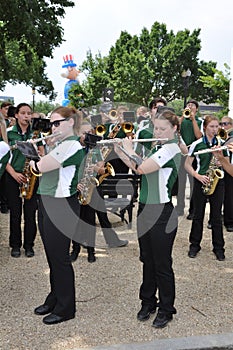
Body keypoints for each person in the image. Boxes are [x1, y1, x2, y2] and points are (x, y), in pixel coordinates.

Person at [115, 109, 181, 329]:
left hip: (161, 211)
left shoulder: (171, 149)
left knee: (162, 263)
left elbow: (142, 168)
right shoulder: (158, 148)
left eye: (163, 128)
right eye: (156, 128)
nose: (158, 132)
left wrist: (129, 149)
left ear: (174, 129)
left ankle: (166, 308)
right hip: (145, 208)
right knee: (147, 258)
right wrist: (119, 149)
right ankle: (148, 301)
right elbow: (135, 167)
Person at [30, 106, 85, 325]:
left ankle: (66, 308)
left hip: (61, 204)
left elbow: (41, 166)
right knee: (52, 257)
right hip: (47, 200)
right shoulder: (60, 145)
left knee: (60, 259)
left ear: (71, 122)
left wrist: (34, 156)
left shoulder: (70, 145)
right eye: (51, 123)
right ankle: (54, 298)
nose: (52, 127)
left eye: (57, 123)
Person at [185, 115, 229, 261]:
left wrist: (220, 160)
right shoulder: (197, 144)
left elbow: (227, 165)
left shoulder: (222, 143)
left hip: (217, 181)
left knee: (216, 217)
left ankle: (219, 248)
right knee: (198, 215)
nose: (215, 129)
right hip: (201, 180)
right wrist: (197, 176)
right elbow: (187, 165)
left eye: (217, 126)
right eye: (212, 126)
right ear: (205, 127)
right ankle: (194, 245)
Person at [5, 103, 43, 258]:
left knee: (29, 214)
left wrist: (37, 158)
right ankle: (15, 245)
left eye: (29, 113)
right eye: (23, 113)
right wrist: (14, 173)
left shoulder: (36, 133)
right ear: (16, 115)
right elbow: (3, 157)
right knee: (15, 213)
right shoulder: (8, 133)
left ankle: (29, 245)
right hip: (13, 176)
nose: (26, 116)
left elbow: (42, 154)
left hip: (31, 175)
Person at [176, 99, 203, 218]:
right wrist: (182, 117)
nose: (190, 107)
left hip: (194, 156)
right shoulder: (181, 120)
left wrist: (193, 120)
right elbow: (176, 130)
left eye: (192, 106)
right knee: (180, 183)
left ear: (196, 109)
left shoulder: (199, 121)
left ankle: (192, 209)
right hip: (181, 154)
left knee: (193, 184)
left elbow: (198, 136)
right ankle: (179, 207)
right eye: (188, 105)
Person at [219, 116, 233, 232]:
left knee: (230, 196)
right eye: (221, 124)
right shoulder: (218, 137)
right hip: (220, 169)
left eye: (226, 124)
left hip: (230, 169)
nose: (223, 126)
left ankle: (229, 221)